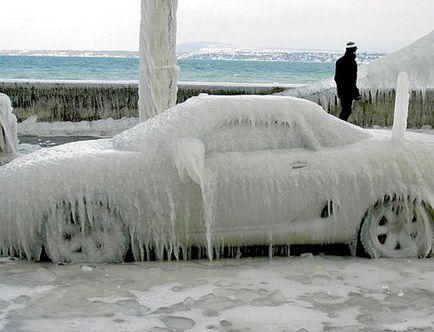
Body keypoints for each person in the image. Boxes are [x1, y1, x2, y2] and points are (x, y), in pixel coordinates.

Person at [334, 41, 361, 121]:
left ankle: (340, 126)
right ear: (353, 50)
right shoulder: (352, 62)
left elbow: (337, 78)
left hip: (341, 91)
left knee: (345, 110)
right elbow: (352, 80)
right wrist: (356, 92)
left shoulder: (339, 61)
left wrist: (340, 88)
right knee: (347, 111)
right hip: (348, 91)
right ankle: (339, 126)